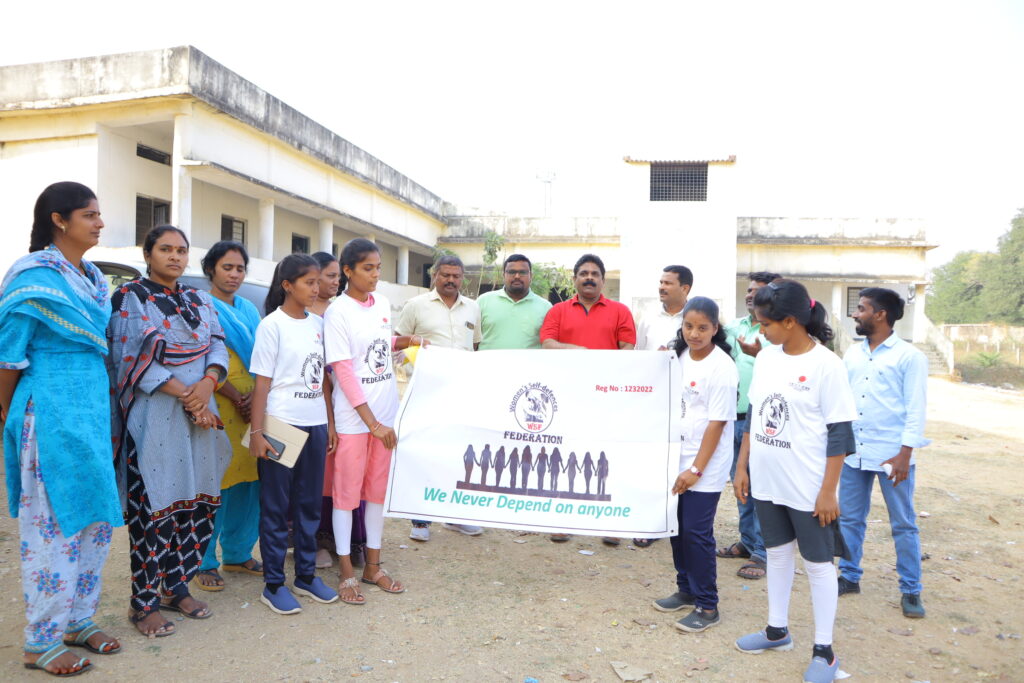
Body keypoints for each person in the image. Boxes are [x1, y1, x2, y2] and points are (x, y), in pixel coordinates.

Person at [1, 182, 123, 676]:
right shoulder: (32, 276)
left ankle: (77, 620)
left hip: (90, 413)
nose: (99, 223)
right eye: (90, 215)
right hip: (48, 411)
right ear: (59, 219)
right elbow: (8, 356)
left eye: (98, 214)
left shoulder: (92, 279)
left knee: (94, 521)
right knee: (51, 527)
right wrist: (9, 414)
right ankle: (40, 641)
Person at [732, 279, 858, 683]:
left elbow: (840, 434)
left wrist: (828, 491)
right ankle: (777, 631)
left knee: (819, 566)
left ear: (790, 321)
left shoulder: (827, 365)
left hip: (809, 486)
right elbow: (755, 415)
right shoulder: (767, 358)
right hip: (768, 480)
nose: (760, 330)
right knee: (778, 554)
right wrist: (742, 467)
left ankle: (825, 652)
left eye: (765, 323)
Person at [109, 225, 231, 637]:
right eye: (165, 249)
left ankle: (176, 587)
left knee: (198, 504)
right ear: (148, 254)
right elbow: (129, 357)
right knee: (154, 508)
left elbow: (217, 344)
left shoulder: (198, 298)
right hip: (156, 416)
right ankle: (143, 604)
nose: (175, 256)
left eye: (181, 250)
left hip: (203, 414)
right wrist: (190, 396)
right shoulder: (130, 298)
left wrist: (207, 385)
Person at [325, 238, 422, 604]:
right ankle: (346, 571)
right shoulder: (338, 312)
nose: (375, 275)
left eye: (378, 267)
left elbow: (377, 346)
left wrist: (405, 341)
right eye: (368, 268)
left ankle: (374, 566)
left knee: (377, 493)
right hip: (355, 421)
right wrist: (371, 424)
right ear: (347, 271)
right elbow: (344, 370)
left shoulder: (380, 303)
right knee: (346, 496)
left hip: (385, 416)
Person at [248, 254, 339, 614]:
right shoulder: (272, 326)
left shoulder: (317, 324)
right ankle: (273, 584)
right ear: (288, 285)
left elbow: (324, 381)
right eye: (309, 282)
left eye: (318, 282)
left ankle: (305, 576)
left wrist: (329, 424)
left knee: (309, 505)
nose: (317, 288)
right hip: (280, 424)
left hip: (315, 424)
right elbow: (262, 384)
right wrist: (258, 432)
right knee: (276, 507)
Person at [839, 288, 930, 618]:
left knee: (903, 523)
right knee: (849, 519)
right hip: (855, 452)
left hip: (893, 454)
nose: (855, 313)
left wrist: (905, 454)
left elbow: (915, 409)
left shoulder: (909, 357)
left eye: (861, 308)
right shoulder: (852, 354)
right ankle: (849, 576)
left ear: (880, 315)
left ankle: (911, 589)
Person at [652, 297, 738, 634]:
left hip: (706, 464)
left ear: (715, 328)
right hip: (677, 455)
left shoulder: (722, 368)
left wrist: (696, 470)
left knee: (696, 532)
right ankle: (686, 589)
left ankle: (707, 604)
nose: (694, 334)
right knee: (677, 527)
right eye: (688, 326)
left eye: (703, 327)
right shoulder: (680, 357)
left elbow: (716, 425)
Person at [540, 253, 635, 543]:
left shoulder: (620, 311)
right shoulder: (558, 311)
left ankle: (610, 523)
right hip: (566, 396)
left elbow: (627, 348)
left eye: (595, 274)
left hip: (607, 398)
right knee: (565, 456)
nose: (589, 278)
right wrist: (577, 351)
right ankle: (563, 519)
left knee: (608, 457)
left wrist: (602, 370)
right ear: (575, 279)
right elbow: (547, 343)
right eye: (584, 273)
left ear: (603, 280)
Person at [396, 254, 483, 540]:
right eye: (445, 275)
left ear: (462, 279)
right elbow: (397, 344)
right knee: (424, 453)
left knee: (459, 454)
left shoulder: (473, 308)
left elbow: (475, 347)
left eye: (456, 276)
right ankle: (421, 521)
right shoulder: (415, 306)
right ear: (434, 276)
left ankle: (456, 517)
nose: (450, 280)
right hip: (425, 393)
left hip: (462, 394)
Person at [193, 241, 264, 592]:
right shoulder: (199, 306)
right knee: (216, 483)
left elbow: (264, 354)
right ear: (211, 269)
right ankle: (204, 561)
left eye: (240, 268)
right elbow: (198, 359)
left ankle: (237, 553)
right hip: (219, 402)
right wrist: (237, 397)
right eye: (227, 267)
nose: (235, 274)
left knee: (250, 482)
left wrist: (257, 399)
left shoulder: (249, 309)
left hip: (255, 404)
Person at [718, 271, 781, 579]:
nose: (750, 295)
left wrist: (761, 353)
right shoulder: (733, 328)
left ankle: (762, 552)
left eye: (757, 291)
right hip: (733, 417)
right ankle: (747, 541)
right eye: (749, 290)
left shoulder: (777, 334)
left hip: (762, 422)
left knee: (760, 489)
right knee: (740, 485)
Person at [308, 251, 367, 571]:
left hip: (346, 405)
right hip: (314, 404)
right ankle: (316, 541)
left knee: (346, 477)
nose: (335, 281)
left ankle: (351, 542)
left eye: (336, 276)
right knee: (318, 478)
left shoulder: (344, 310)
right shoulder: (302, 314)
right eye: (329, 276)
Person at [477, 253, 552, 350]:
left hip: (529, 360)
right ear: (503, 275)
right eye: (511, 272)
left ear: (531, 276)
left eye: (522, 272)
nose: (517, 276)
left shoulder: (545, 307)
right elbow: (472, 340)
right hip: (488, 360)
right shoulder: (483, 301)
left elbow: (549, 344)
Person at [634, 265, 692, 351]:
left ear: (684, 288)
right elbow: (640, 353)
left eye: (668, 283)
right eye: (661, 283)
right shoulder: (648, 318)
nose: (661, 287)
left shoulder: (696, 318)